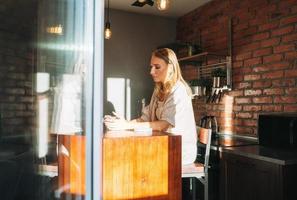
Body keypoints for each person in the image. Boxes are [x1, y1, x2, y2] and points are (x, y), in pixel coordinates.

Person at [104, 48, 197, 165]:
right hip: (164, 145)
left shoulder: (179, 91)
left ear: (171, 68)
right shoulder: (158, 90)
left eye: (157, 67)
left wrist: (127, 125)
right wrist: (123, 125)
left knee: (136, 158)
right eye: (151, 67)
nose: (151, 71)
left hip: (180, 150)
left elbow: (163, 125)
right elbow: (145, 119)